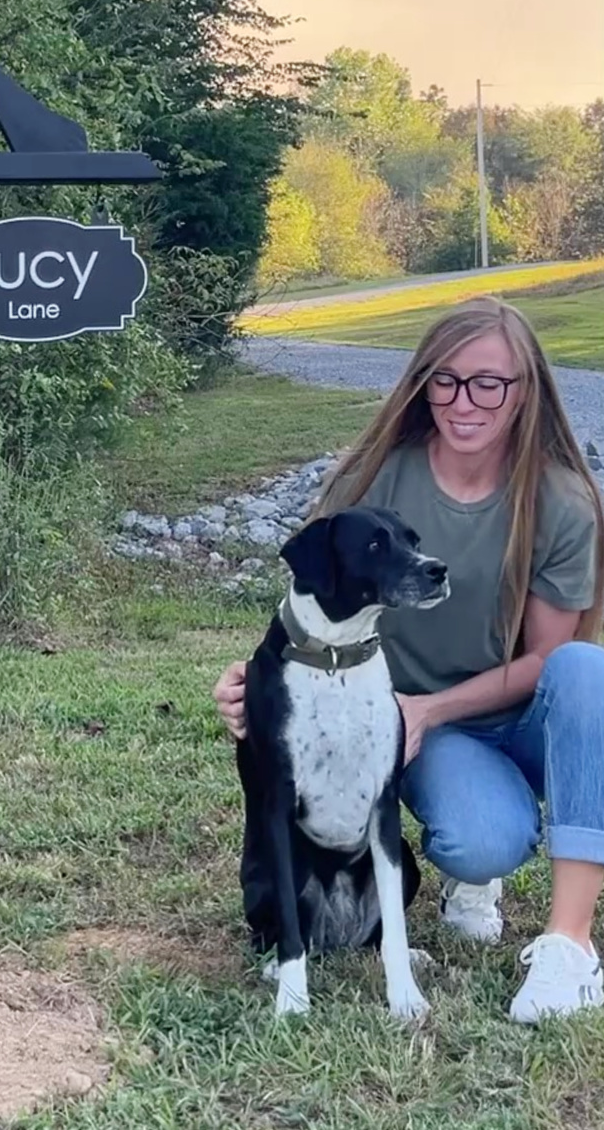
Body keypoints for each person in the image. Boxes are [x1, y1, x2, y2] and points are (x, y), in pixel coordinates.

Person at [213, 296, 604, 1022]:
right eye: (446, 379)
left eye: (490, 382)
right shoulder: (376, 479)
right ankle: (473, 874)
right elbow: (312, 598)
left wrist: (429, 708)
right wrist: (259, 681)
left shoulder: (562, 500)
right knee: (480, 840)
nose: (466, 401)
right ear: (424, 383)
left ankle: (570, 946)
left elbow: (551, 657)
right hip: (421, 730)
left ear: (526, 390)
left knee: (589, 671)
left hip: (511, 712)